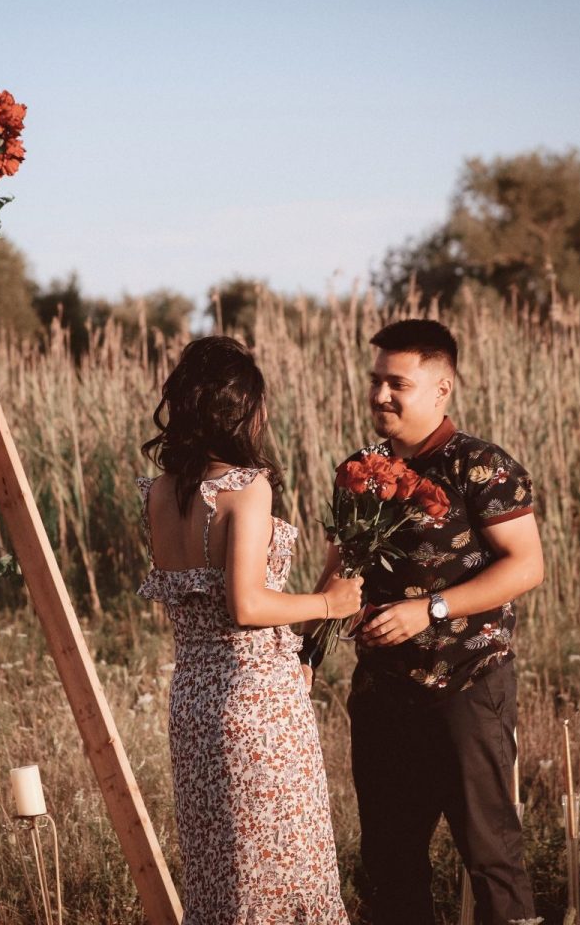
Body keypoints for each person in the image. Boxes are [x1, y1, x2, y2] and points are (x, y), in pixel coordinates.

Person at [305, 319, 544, 925]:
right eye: (375, 381)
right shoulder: (360, 470)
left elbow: (526, 567)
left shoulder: (481, 467)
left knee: (491, 859)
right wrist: (305, 654)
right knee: (388, 862)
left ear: (442, 389)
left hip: (467, 686)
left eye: (398, 383)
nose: (381, 395)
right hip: (383, 695)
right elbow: (338, 573)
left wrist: (429, 609)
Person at [136, 336, 362, 923]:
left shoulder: (161, 493)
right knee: (282, 874)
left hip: (194, 701)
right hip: (255, 707)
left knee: (223, 877)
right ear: (244, 410)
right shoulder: (247, 488)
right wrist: (328, 603)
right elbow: (245, 604)